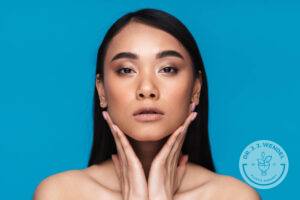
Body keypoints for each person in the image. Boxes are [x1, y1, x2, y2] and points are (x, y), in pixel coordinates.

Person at [34, 8, 260, 200]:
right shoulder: (61, 193)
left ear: (196, 89)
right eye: (126, 70)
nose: (147, 89)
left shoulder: (233, 195)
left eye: (167, 69)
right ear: (101, 90)